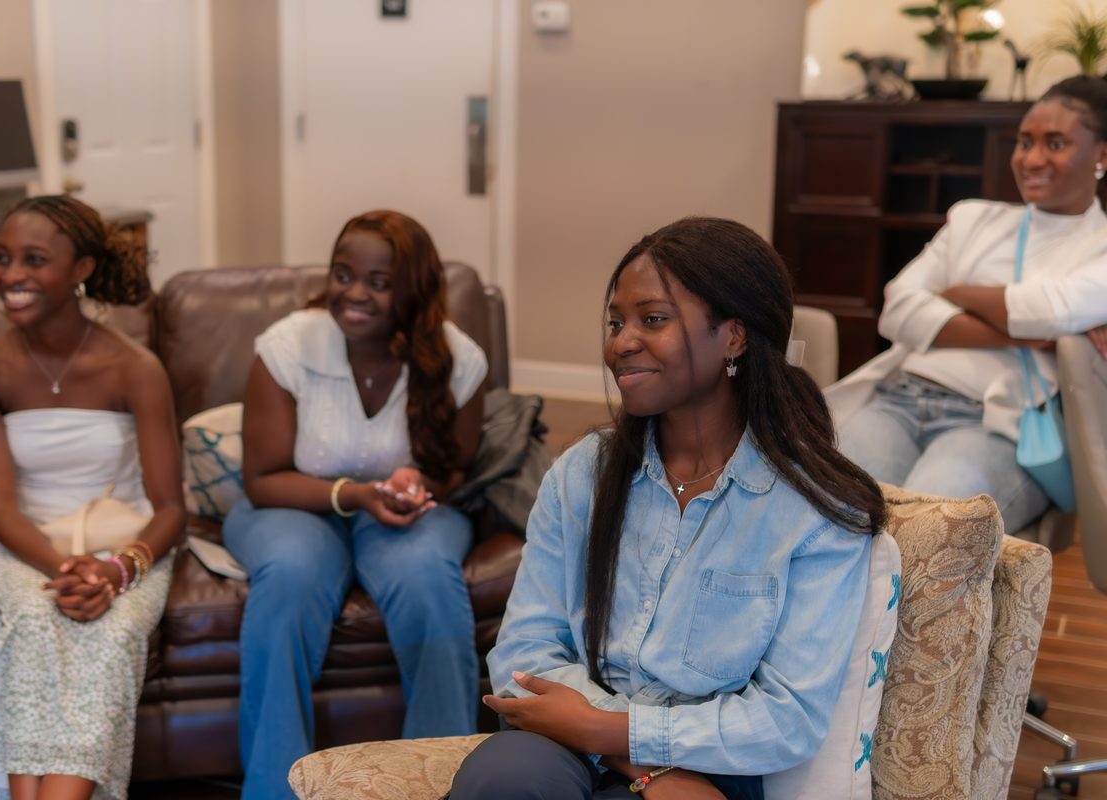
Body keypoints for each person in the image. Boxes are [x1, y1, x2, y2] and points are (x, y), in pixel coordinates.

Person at [448, 217, 886, 800]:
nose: (620, 342)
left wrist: (624, 736)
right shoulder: (583, 472)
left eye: (652, 320)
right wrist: (626, 749)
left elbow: (788, 718)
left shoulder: (815, 509)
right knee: (504, 777)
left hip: (715, 765)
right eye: (615, 321)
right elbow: (525, 651)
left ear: (734, 336)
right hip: (573, 741)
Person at [223, 209, 488, 799]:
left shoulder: (458, 359)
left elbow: (455, 465)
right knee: (290, 578)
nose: (354, 293)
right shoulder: (288, 346)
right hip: (290, 505)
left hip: (404, 510)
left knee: (427, 577)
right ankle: (275, 790)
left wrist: (416, 482)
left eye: (378, 280)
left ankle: (437, 784)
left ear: (413, 288)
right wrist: (357, 496)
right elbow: (263, 478)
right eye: (344, 274)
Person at [0, 195, 185, 800]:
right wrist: (67, 571)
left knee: (109, 636)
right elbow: (0, 508)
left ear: (81, 269)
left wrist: (113, 572)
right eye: (2, 258)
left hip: (127, 545)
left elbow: (170, 510)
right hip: (24, 542)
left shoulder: (136, 368)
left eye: (34, 260)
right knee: (33, 620)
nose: (9, 276)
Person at [828, 76, 1107, 533]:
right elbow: (898, 308)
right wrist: (1026, 335)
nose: (1033, 159)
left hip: (996, 425)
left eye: (1055, 143)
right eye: (1025, 142)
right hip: (898, 399)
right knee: (828, 513)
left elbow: (1049, 309)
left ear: (1102, 155)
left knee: (928, 536)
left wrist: (955, 293)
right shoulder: (974, 219)